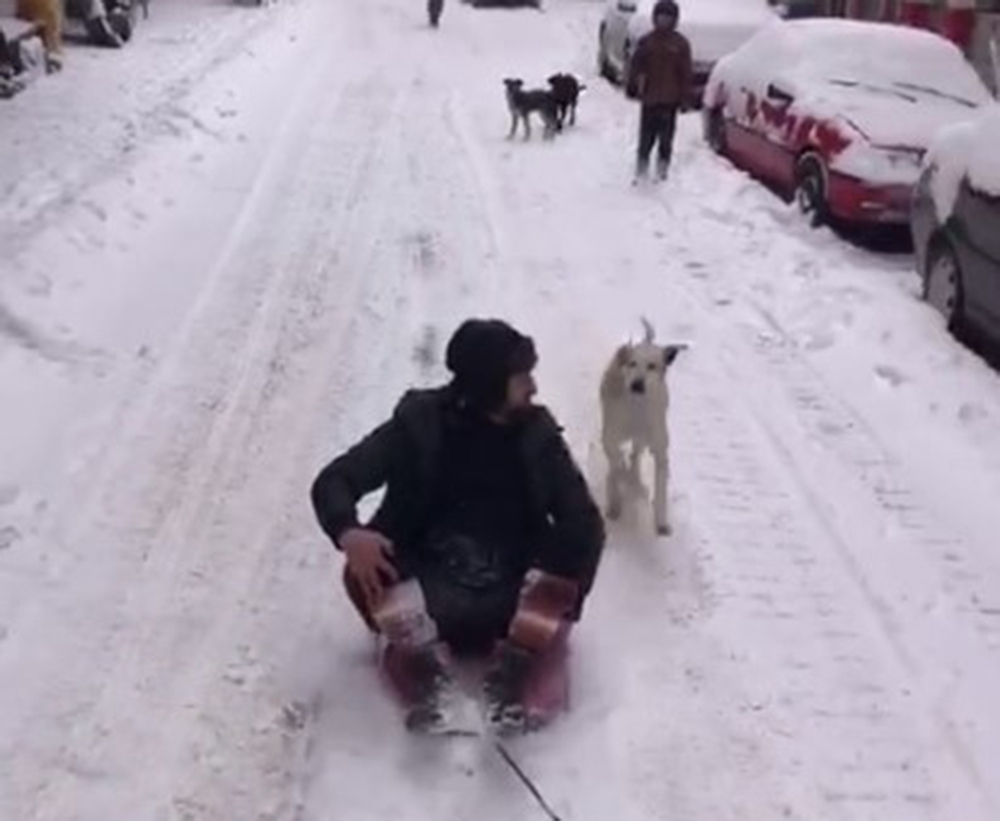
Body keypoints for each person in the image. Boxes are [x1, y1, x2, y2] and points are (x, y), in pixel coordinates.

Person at [311, 318, 605, 735]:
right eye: (522, 377)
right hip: (428, 592)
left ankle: (514, 670)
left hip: (512, 601)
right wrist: (348, 532)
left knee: (576, 539)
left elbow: (584, 522)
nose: (533, 387)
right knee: (365, 568)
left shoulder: (538, 437)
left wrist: (558, 593)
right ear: (490, 383)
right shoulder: (418, 424)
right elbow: (336, 479)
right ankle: (427, 675)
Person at [625, 0, 693, 183]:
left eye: (668, 18)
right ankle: (641, 169)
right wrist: (632, 85)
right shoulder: (647, 42)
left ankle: (662, 170)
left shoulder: (680, 44)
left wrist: (685, 97)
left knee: (666, 140)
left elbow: (686, 73)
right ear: (655, 18)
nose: (664, 21)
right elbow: (635, 66)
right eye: (661, 17)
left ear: (675, 20)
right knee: (646, 138)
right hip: (649, 98)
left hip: (670, 100)